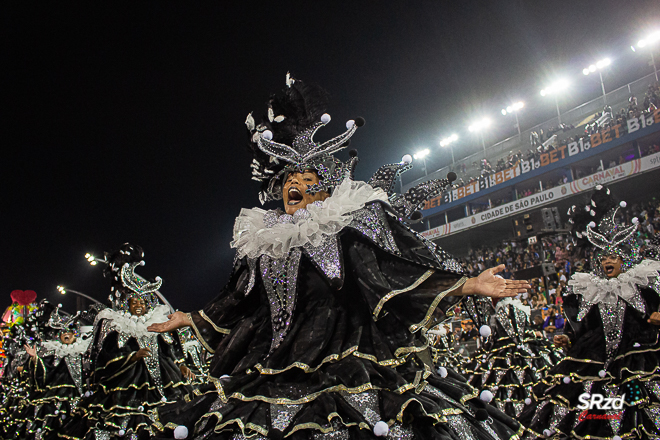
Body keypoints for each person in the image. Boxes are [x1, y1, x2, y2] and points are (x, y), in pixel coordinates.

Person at [149, 77, 529, 439]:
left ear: (325, 188)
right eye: (288, 179)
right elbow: (240, 300)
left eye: (307, 177)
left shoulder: (346, 227)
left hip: (352, 354)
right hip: (274, 364)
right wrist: (192, 317)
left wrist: (465, 284)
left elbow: (392, 273)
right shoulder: (262, 242)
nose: (295, 183)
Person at [519, 187, 660, 439]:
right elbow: (588, 327)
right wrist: (570, 340)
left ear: (624, 258)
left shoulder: (643, 282)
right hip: (595, 357)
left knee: (642, 411)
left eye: (613, 255)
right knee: (595, 417)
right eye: (603, 255)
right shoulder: (588, 290)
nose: (607, 259)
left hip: (638, 355)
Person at [59, 244, 192, 440]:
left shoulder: (158, 322)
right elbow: (104, 358)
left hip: (165, 379)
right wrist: (132, 357)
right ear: (125, 304)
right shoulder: (115, 325)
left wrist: (180, 365)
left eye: (142, 302)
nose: (139, 305)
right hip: (126, 385)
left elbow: (169, 349)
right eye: (134, 302)